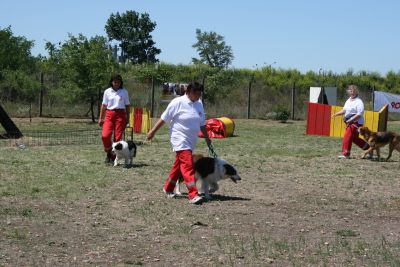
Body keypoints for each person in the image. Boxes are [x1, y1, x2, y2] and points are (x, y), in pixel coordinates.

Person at [146, 81, 212, 205]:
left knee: (178, 166)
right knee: (188, 165)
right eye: (197, 94)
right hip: (179, 139)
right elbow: (164, 118)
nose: (199, 97)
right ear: (189, 92)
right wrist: (153, 132)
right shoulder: (177, 102)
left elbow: (202, 123)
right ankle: (193, 194)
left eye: (200, 94)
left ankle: (168, 188)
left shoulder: (199, 104)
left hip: (191, 140)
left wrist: (207, 138)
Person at [98, 74, 131, 163]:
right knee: (105, 135)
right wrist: (101, 118)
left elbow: (127, 106)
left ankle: (113, 157)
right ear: (112, 82)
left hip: (120, 115)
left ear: (121, 83)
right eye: (115, 82)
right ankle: (108, 151)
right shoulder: (107, 91)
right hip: (109, 114)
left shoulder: (124, 92)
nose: (116, 84)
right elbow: (104, 105)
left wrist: (128, 118)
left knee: (117, 138)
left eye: (118, 82)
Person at [332, 84, 370, 159]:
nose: (352, 92)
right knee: (354, 138)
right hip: (349, 122)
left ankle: (346, 153)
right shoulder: (348, 100)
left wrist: (351, 120)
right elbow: (344, 110)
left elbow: (360, 113)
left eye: (354, 90)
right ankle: (369, 149)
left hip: (356, 123)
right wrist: (336, 114)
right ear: (348, 91)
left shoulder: (359, 101)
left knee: (347, 136)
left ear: (356, 92)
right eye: (350, 90)